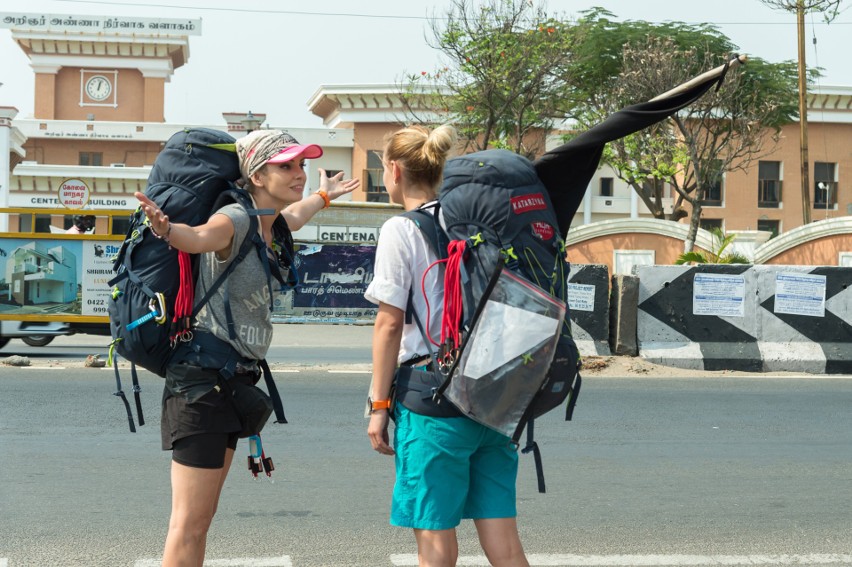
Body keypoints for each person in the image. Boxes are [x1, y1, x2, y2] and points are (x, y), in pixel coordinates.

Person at [134, 129, 359, 567]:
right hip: (202, 384)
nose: (300, 173)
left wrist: (323, 197)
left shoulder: (268, 223)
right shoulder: (236, 220)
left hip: (231, 381)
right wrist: (167, 229)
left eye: (300, 164)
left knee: (202, 520)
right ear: (256, 174)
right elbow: (198, 237)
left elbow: (294, 216)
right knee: (189, 523)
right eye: (287, 166)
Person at [365, 124, 530, 567]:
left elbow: (388, 324)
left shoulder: (401, 228)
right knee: (506, 542)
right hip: (493, 395)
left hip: (432, 400)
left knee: (436, 542)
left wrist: (379, 405)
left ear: (394, 170)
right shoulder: (474, 221)